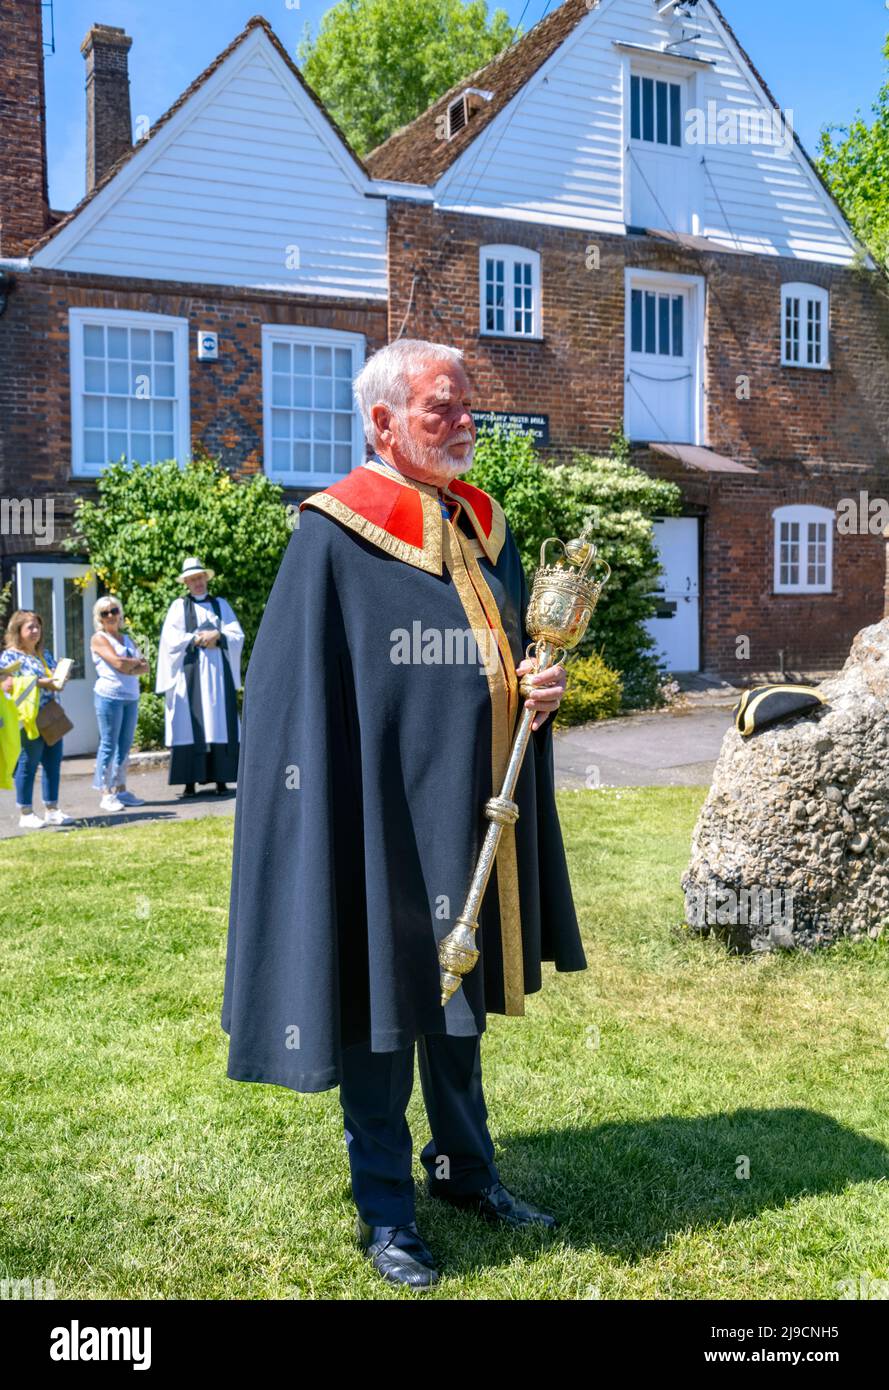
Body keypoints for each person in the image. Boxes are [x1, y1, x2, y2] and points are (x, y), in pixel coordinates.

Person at [222, 339, 586, 1289]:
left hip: (467, 807)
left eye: (468, 408)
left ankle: (467, 1172)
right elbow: (297, 697)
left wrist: (534, 686)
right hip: (375, 818)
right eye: (442, 410)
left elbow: (498, 653)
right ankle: (387, 1215)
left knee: (457, 1002)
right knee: (383, 1014)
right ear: (382, 421)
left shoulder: (477, 523)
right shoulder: (333, 533)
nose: (466, 424)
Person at [155, 559, 244, 799]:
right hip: (190, 673)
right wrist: (194, 639)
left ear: (206, 578)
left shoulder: (220, 605)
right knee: (189, 724)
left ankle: (222, 779)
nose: (197, 583)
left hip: (217, 674)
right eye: (192, 579)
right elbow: (170, 639)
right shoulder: (178, 607)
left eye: (200, 578)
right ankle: (189, 783)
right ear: (186, 583)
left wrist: (218, 635)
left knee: (219, 723)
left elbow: (237, 634)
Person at [0, 610, 73, 829]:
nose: (35, 631)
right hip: (27, 718)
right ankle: (26, 812)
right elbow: (8, 685)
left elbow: (53, 679)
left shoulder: (44, 654)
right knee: (27, 764)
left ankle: (52, 809)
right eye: (29, 627)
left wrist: (61, 678)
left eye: (37, 627)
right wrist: (42, 683)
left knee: (53, 762)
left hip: (51, 715)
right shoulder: (9, 656)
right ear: (18, 631)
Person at [90, 595, 150, 814]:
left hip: (130, 697)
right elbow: (117, 663)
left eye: (114, 611)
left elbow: (145, 667)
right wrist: (131, 664)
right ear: (99, 618)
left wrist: (129, 665)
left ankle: (121, 789)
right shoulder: (99, 638)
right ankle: (105, 792)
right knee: (108, 744)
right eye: (105, 613)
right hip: (110, 697)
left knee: (125, 746)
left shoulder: (126, 639)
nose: (111, 616)